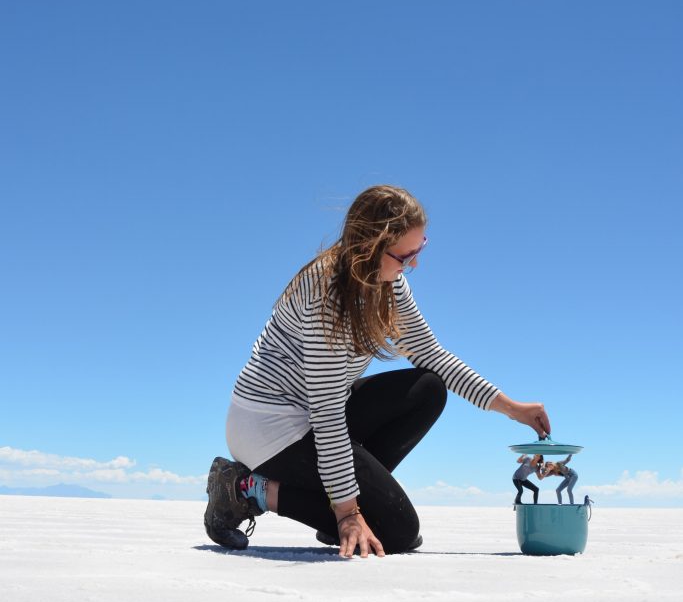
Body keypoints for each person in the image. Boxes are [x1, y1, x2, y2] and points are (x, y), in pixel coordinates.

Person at [206, 185, 551, 558]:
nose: (414, 263)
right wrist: (348, 513)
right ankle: (244, 489)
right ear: (370, 246)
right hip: (270, 428)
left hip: (318, 416)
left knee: (427, 388)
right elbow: (326, 413)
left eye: (421, 248)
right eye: (406, 254)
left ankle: (342, 502)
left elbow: (431, 355)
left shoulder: (389, 283)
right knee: (399, 532)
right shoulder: (327, 294)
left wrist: (511, 408)